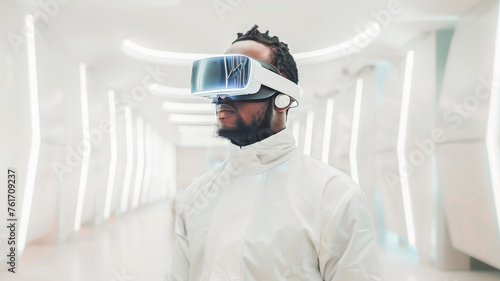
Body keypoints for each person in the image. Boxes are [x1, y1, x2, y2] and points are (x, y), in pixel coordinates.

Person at [168, 25, 381, 281]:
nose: (222, 97)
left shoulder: (333, 196)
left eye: (237, 79)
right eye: (218, 84)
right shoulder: (194, 197)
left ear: (283, 97)